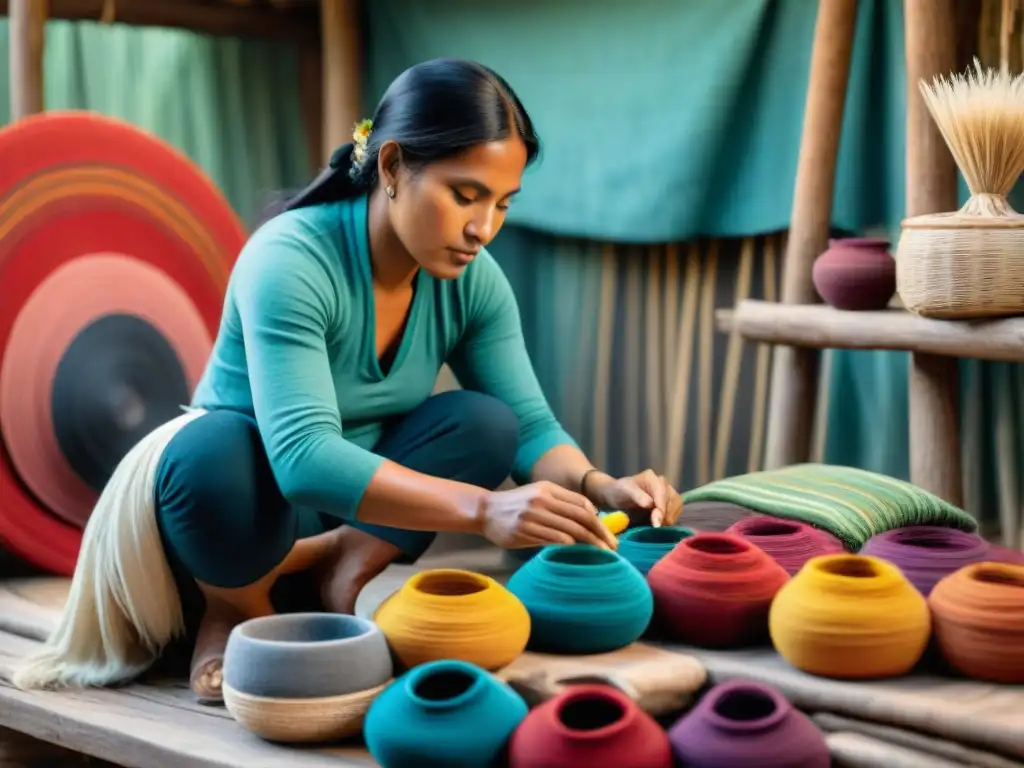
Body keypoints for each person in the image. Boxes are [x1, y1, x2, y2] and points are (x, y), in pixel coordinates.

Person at [13, 57, 683, 703]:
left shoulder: (472, 283)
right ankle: (235, 609)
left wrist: (600, 484)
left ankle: (342, 570)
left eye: (503, 203)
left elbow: (531, 428)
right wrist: (486, 510)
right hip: (237, 515)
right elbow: (302, 462)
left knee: (486, 423)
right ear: (392, 166)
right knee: (208, 452)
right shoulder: (289, 259)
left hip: (352, 512)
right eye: (465, 194)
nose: (484, 229)